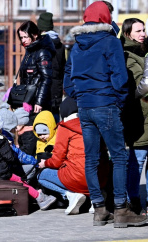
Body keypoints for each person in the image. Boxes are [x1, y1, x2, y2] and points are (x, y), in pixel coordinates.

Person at [63, 1, 148, 227]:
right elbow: (120, 78)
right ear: (105, 18)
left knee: (91, 158)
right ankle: (121, 210)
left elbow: (67, 81)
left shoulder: (76, 45)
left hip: (85, 107)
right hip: (106, 104)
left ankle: (99, 210)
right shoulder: (110, 41)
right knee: (120, 157)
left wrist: (81, 96)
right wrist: (118, 101)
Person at [0, 104, 56, 211]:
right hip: (2, 173)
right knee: (20, 182)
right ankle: (40, 198)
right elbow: (10, 158)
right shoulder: (2, 141)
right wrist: (9, 147)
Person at [38, 97, 110, 215]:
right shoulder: (94, 123)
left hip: (78, 179)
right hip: (100, 178)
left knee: (42, 176)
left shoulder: (65, 127)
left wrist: (44, 163)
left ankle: (71, 195)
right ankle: (97, 196)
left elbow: (56, 161)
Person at [120, 18, 148, 215]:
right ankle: (134, 202)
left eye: (144, 30)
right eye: (138, 31)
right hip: (139, 118)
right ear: (128, 33)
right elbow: (138, 88)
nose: (143, 34)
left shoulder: (143, 52)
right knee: (136, 162)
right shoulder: (127, 56)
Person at [12, 20, 55, 115]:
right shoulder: (30, 50)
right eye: (21, 37)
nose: (23, 40)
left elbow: (46, 78)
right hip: (28, 100)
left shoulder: (42, 52)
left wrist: (39, 102)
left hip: (37, 103)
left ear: (35, 35)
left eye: (26, 37)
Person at [37, 12, 66, 123]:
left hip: (41, 89)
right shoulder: (60, 46)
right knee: (54, 120)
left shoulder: (38, 45)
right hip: (56, 89)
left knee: (41, 121)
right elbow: (63, 67)